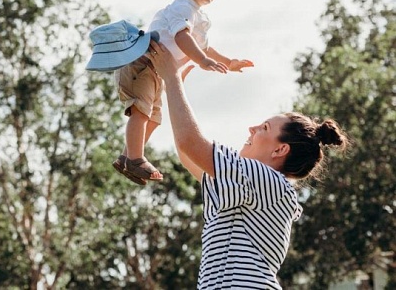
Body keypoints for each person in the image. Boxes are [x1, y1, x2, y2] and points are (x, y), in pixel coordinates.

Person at [146, 40, 350, 289]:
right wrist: (173, 86)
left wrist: (172, 77)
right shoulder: (253, 185)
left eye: (264, 127)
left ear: (280, 149)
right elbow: (188, 156)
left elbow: (191, 143)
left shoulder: (268, 180)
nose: (251, 128)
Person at [113, 0, 254, 185]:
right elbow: (182, 37)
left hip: (157, 70)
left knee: (155, 118)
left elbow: (206, 48)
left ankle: (128, 156)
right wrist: (200, 60)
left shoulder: (197, 15)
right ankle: (136, 158)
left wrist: (229, 62)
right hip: (143, 62)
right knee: (141, 111)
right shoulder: (182, 7)